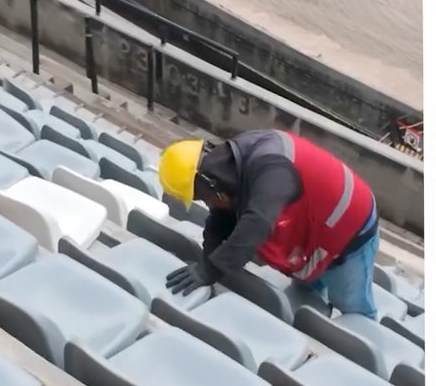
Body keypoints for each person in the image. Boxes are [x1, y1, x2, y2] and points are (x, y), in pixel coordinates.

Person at [158, 130, 382, 319]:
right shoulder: (229, 168)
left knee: (353, 308)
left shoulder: (270, 169)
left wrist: (210, 270)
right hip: (311, 227)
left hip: (349, 230)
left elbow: (257, 224)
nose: (207, 204)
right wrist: (208, 259)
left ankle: (366, 365)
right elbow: (221, 216)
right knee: (307, 299)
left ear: (210, 184)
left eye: (203, 198)